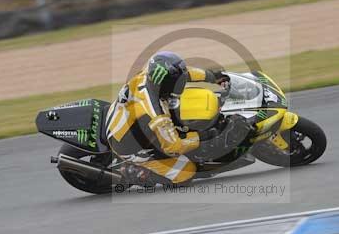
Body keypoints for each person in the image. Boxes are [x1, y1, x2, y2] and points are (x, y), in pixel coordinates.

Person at [104, 51, 250, 186]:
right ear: (165, 84)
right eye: (176, 82)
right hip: (127, 143)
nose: (181, 83)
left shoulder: (151, 76)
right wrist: (207, 136)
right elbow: (173, 146)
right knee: (185, 174)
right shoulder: (155, 112)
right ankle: (134, 171)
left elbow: (185, 74)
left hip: (127, 118)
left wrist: (212, 76)